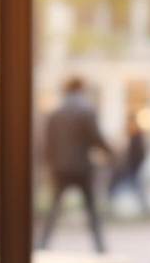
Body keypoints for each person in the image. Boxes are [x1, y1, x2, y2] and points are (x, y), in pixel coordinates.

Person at [38, 77, 112, 252]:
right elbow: (95, 137)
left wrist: (50, 164)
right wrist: (111, 151)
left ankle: (42, 244)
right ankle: (100, 247)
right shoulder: (86, 110)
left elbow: (48, 143)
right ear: (82, 88)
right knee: (91, 209)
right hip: (81, 167)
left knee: (54, 208)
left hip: (60, 167)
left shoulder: (56, 112)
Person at [109, 115, 150, 215]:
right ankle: (145, 208)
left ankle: (145, 208)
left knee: (136, 187)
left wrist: (134, 164)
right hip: (131, 167)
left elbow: (138, 153)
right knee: (135, 188)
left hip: (133, 167)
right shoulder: (133, 136)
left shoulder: (136, 137)